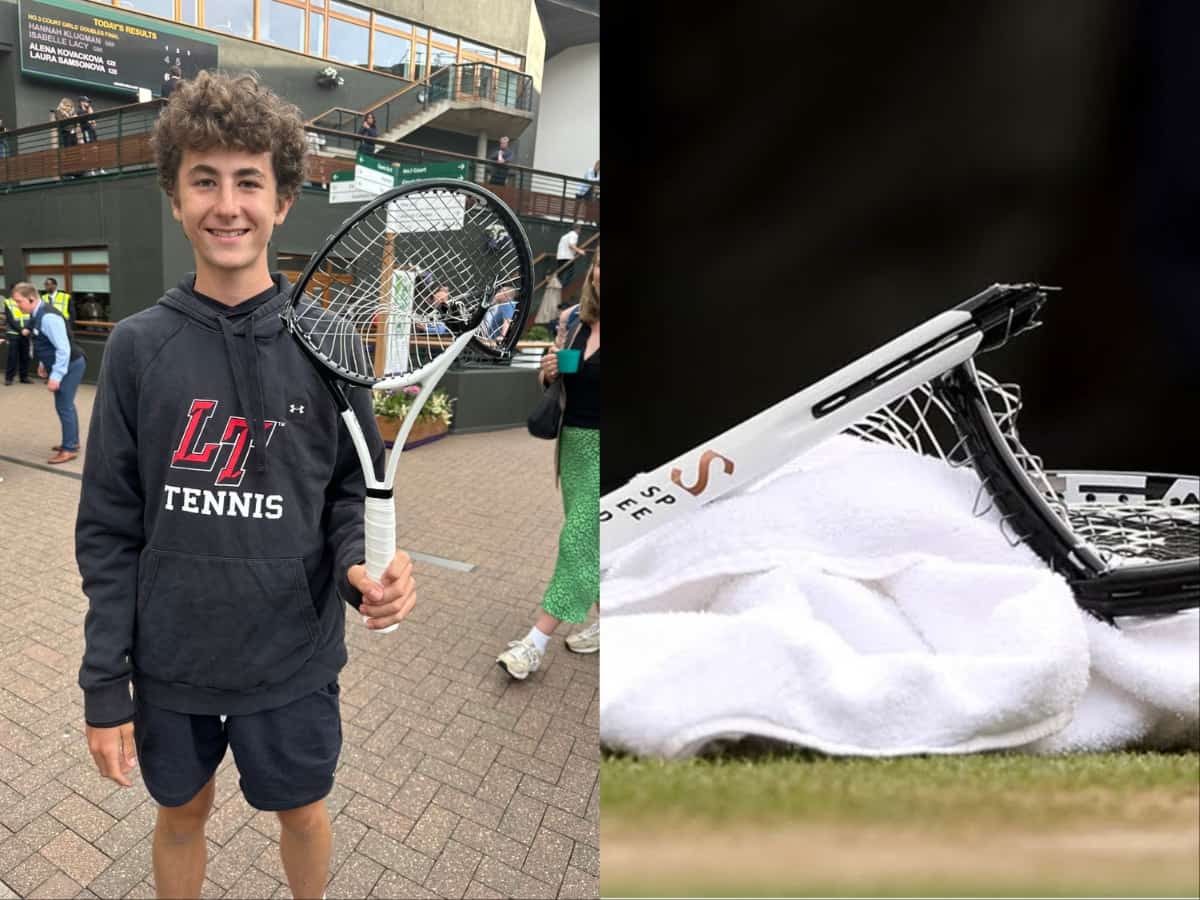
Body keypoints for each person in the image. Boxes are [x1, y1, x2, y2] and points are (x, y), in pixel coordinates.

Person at [74, 71, 417, 900]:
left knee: (302, 815)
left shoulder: (327, 339)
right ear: (174, 196)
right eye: (204, 180)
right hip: (172, 661)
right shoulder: (136, 350)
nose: (227, 204)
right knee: (180, 817)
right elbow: (109, 531)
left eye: (249, 181)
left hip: (291, 659)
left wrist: (360, 569)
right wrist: (103, 685)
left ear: (284, 199)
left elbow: (347, 492)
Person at [497, 248, 601, 677]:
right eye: (599, 265)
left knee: (578, 538)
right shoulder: (578, 321)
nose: (601, 273)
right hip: (574, 443)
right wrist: (550, 369)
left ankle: (534, 643)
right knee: (594, 541)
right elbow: (552, 377)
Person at [9, 282, 86, 463]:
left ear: (31, 298)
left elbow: (63, 349)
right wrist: (44, 364)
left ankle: (69, 449)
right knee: (65, 405)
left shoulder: (48, 317)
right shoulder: (37, 313)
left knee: (64, 406)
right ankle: (72, 442)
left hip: (71, 365)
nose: (17, 306)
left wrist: (56, 376)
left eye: (19, 302)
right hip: (65, 364)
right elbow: (44, 342)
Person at [4, 291, 33, 385]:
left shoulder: (27, 301)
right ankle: (9, 378)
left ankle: (24, 377)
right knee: (12, 357)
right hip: (13, 333)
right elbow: (10, 319)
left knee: (25, 356)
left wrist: (28, 329)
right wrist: (21, 330)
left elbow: (32, 316)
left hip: (26, 333)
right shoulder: (8, 302)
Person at [554, 223, 587, 299]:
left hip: (560, 257)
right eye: (580, 229)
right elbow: (571, 245)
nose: (580, 231)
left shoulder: (565, 236)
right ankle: (561, 291)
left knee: (561, 276)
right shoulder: (574, 235)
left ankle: (557, 291)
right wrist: (580, 251)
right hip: (567, 258)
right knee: (569, 275)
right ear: (577, 229)